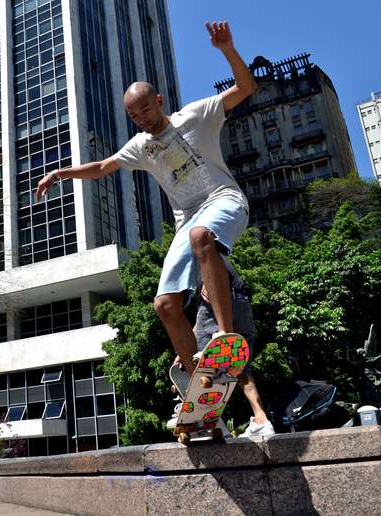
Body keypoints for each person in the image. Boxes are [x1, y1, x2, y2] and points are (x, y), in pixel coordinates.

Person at [36, 21, 255, 375]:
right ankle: (195, 383)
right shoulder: (140, 146)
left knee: (202, 237)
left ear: (159, 101)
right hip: (188, 218)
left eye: (145, 111)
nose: (141, 120)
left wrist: (226, 49)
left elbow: (246, 87)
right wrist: (61, 173)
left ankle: (225, 336)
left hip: (224, 200)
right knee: (165, 305)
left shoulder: (196, 116)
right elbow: (103, 166)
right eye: (133, 116)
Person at [191, 262, 275, 438]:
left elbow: (211, 258)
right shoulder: (220, 250)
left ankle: (212, 424)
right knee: (241, 368)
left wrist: (209, 281)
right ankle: (262, 421)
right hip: (242, 303)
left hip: (216, 304)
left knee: (202, 368)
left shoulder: (196, 244)